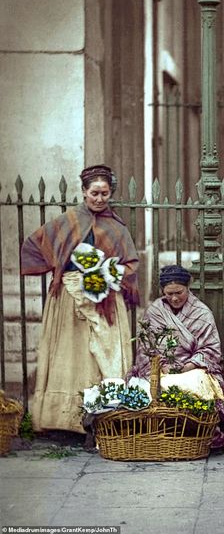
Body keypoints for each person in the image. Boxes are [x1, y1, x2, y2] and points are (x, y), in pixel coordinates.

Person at [21, 165, 140, 435]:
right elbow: (34, 244)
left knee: (105, 353)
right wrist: (60, 267)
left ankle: (105, 415)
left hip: (105, 299)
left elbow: (131, 263)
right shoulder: (68, 221)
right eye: (94, 193)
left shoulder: (117, 227)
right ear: (84, 192)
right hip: (68, 298)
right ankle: (64, 420)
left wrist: (111, 273)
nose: (99, 199)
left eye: (105, 194)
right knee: (70, 355)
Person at [127, 264, 224, 449]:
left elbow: (210, 350)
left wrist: (187, 367)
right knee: (148, 388)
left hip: (191, 368)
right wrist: (162, 366)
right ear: (162, 291)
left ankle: (193, 431)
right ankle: (158, 431)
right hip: (159, 368)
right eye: (169, 293)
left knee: (194, 386)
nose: (174, 298)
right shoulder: (155, 311)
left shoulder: (202, 313)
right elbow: (146, 347)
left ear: (189, 288)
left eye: (179, 292)